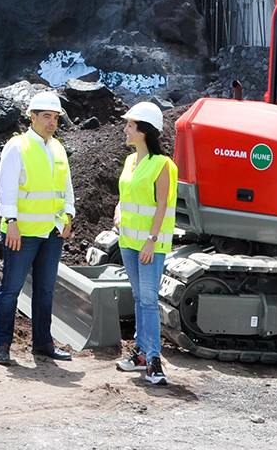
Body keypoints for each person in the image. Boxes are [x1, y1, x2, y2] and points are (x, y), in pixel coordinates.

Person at [0, 89, 75, 365]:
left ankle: (42, 344)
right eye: (47, 116)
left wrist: (69, 216)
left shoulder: (58, 148)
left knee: (45, 290)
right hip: (23, 232)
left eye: (56, 118)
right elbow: (6, 188)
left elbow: (66, 188)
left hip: (51, 232)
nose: (52, 122)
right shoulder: (18, 146)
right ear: (33, 117)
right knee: (11, 289)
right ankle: (3, 345)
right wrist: (11, 222)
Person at [114, 100, 175, 386]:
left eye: (130, 125)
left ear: (144, 131)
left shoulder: (163, 165)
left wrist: (151, 241)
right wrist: (117, 212)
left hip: (150, 245)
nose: (125, 129)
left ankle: (154, 359)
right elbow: (125, 196)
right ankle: (140, 353)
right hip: (128, 240)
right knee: (140, 298)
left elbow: (162, 205)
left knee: (149, 300)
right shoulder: (130, 161)